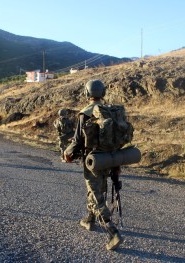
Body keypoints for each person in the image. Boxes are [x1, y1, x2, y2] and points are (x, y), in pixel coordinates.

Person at [64, 79, 124, 251]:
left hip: (93, 160)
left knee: (95, 191)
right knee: (98, 189)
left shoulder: (85, 113)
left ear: (87, 94)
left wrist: (67, 154)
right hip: (111, 158)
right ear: (102, 93)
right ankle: (89, 219)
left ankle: (112, 231)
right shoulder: (111, 111)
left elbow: (77, 141)